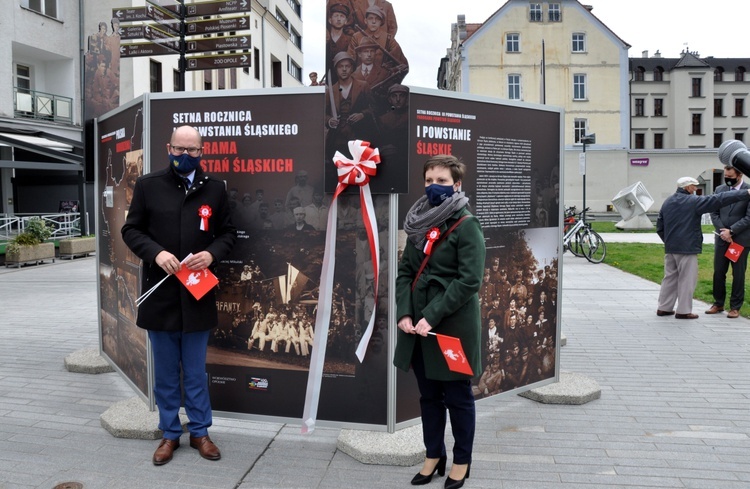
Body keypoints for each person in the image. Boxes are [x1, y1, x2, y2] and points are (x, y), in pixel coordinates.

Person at [121, 125, 237, 466]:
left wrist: (212, 254)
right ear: (168, 147)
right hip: (161, 295)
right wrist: (156, 253)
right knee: (167, 372)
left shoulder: (215, 189)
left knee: (197, 372)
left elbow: (229, 232)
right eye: (179, 149)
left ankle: (200, 432)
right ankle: (170, 433)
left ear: (203, 151)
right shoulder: (148, 185)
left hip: (197, 295)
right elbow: (131, 229)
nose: (185, 156)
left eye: (193, 150)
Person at [394, 155, 486, 489]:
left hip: (451, 329)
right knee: (429, 396)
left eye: (443, 181)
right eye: (430, 180)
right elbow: (406, 270)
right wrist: (405, 313)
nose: (435, 187)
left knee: (457, 397)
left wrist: (429, 315)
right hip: (417, 328)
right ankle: (433, 454)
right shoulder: (419, 222)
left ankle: (462, 459)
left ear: (457, 184)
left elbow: (469, 281)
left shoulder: (467, 225)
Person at [656, 176, 750, 319]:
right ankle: (683, 310)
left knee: (669, 278)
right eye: (694, 186)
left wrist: (669, 241)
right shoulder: (693, 202)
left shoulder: (668, 201)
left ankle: (664, 307)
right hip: (687, 248)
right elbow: (719, 199)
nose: (695, 189)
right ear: (687, 188)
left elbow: (659, 226)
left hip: (671, 248)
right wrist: (746, 193)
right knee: (687, 279)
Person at [706, 165, 750, 318]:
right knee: (719, 272)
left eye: (731, 177)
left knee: (738, 274)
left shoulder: (748, 190)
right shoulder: (719, 190)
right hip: (722, 239)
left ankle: (735, 307)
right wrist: (723, 231)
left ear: (739, 175)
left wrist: (732, 231)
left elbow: (749, 217)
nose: (728, 180)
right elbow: (714, 211)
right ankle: (718, 303)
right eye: (726, 177)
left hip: (740, 241)